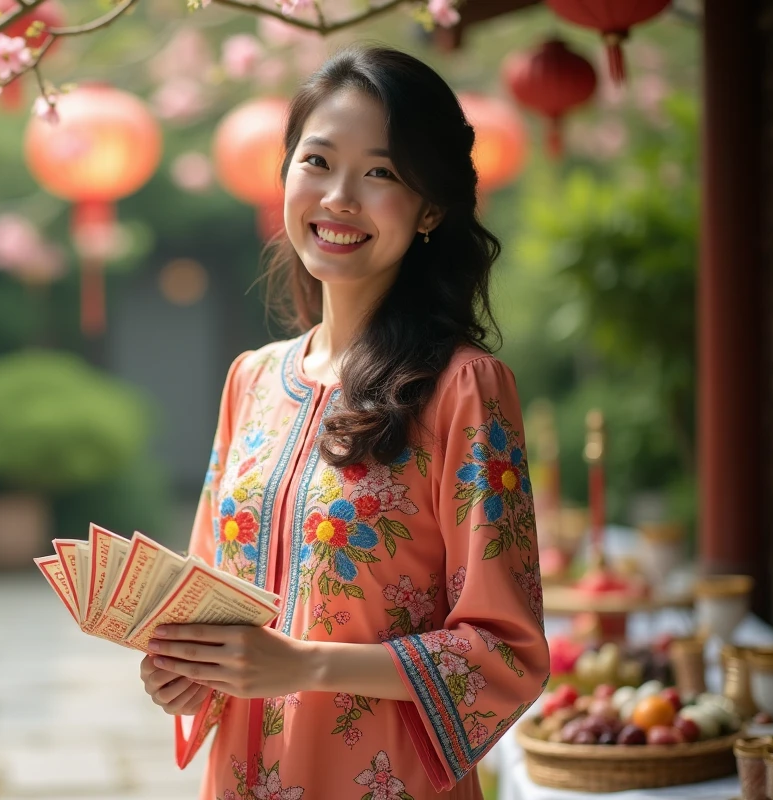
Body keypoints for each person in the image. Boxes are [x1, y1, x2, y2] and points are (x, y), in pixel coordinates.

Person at [138, 43, 550, 799]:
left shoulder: (465, 391)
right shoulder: (252, 381)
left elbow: (505, 651)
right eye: (318, 161)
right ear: (286, 172)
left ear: (430, 207)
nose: (340, 198)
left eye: (382, 173)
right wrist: (183, 671)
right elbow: (201, 604)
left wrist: (302, 665)